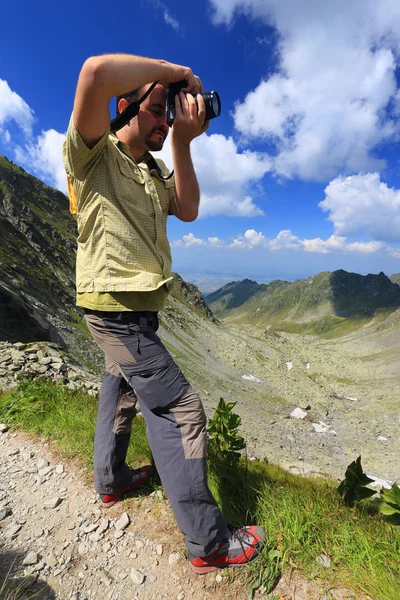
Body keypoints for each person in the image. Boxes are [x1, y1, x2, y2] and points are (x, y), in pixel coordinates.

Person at [63, 53, 265, 574]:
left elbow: (190, 207)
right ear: (126, 106)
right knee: (181, 412)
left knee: (120, 389)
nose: (164, 121)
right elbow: (94, 74)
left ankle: (112, 482)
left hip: (135, 313)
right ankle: (210, 544)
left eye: (169, 114)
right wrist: (174, 74)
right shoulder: (92, 154)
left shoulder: (152, 169)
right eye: (157, 111)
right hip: (115, 311)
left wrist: (182, 142)